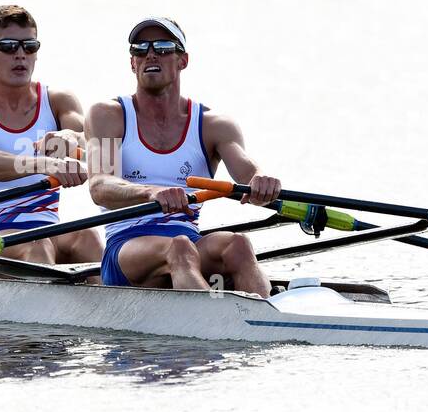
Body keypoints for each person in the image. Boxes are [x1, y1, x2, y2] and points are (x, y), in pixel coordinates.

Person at [85, 17, 281, 296]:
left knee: (238, 245)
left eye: (163, 47)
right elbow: (99, 186)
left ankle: (264, 321)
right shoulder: (107, 115)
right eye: (140, 48)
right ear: (132, 63)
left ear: (183, 60)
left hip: (189, 244)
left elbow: (245, 171)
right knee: (179, 248)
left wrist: (260, 180)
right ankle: (211, 325)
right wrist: (150, 192)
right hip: (127, 249)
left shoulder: (214, 124)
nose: (151, 54)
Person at [0, 5, 104, 266]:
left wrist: (72, 139)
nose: (20, 55)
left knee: (88, 237)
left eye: (29, 46)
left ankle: (112, 306)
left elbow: (96, 145)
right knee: (37, 246)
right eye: (8, 46)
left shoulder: (58, 100)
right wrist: (46, 163)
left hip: (47, 229)